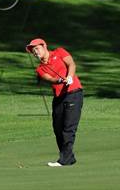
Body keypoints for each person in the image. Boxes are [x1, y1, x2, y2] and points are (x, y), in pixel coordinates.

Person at [26, 38, 83, 167]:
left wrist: (70, 77)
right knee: (58, 129)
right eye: (33, 51)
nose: (35, 52)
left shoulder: (60, 52)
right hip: (58, 97)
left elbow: (71, 64)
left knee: (68, 128)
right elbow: (50, 79)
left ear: (44, 45)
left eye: (37, 48)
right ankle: (69, 157)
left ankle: (64, 160)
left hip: (73, 93)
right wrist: (59, 81)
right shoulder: (40, 69)